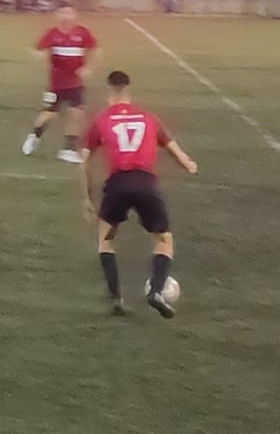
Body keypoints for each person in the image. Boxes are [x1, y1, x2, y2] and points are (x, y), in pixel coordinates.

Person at [82, 70, 198, 318]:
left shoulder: (101, 120)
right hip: (146, 183)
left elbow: (84, 162)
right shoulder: (148, 118)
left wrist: (87, 198)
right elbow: (174, 149)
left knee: (106, 240)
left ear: (110, 91)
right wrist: (188, 164)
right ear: (128, 90)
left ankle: (116, 298)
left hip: (117, 183)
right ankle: (156, 290)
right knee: (164, 240)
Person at [23, 4, 97, 163]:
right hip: (56, 83)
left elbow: (94, 49)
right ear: (58, 15)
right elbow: (35, 49)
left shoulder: (82, 33)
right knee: (49, 113)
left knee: (76, 114)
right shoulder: (52, 34)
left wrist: (88, 67)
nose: (66, 16)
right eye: (63, 13)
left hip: (76, 83)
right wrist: (39, 54)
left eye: (69, 12)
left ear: (75, 15)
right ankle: (35, 135)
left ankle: (68, 149)